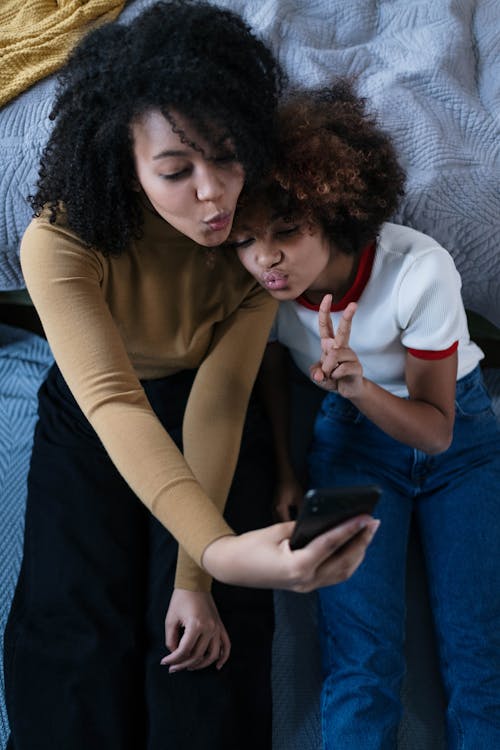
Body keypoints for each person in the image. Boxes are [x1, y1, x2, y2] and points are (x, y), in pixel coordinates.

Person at [3, 6, 379, 750]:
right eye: (176, 173)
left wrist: (197, 577)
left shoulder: (252, 239)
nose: (215, 197)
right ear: (127, 164)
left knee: (206, 660)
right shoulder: (58, 242)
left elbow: (223, 395)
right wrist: (215, 549)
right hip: (95, 404)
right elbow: (110, 401)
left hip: (210, 404)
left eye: (228, 158)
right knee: (71, 636)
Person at [228, 80, 500, 749]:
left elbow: (435, 431)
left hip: (456, 441)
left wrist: (356, 387)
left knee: (478, 655)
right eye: (246, 239)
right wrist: (290, 470)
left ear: (333, 210)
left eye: (287, 232)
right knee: (360, 659)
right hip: (348, 443)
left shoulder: (419, 271)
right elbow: (266, 365)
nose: (265, 258)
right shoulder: (257, 287)